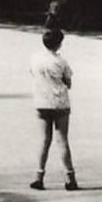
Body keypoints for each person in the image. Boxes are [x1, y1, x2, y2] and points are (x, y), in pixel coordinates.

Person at [30, 28, 78, 191]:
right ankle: (69, 177)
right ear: (59, 44)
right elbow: (69, 82)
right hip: (60, 103)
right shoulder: (61, 62)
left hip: (42, 102)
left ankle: (39, 176)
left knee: (44, 140)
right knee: (62, 140)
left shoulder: (35, 59)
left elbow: (33, 74)